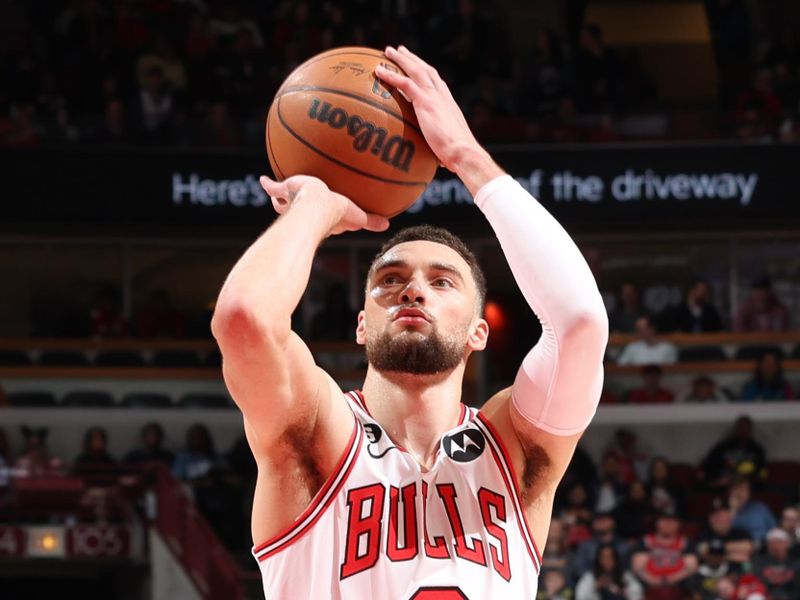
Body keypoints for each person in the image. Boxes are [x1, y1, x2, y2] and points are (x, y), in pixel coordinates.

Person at [211, 45, 608, 597]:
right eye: (389, 280)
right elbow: (243, 318)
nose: (413, 289)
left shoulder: (514, 450)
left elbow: (581, 324)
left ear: (479, 331)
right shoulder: (317, 435)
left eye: (442, 281)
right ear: (361, 325)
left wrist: (467, 156)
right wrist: (316, 207)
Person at [631, 511, 698, 595]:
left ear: (679, 524)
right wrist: (652, 580)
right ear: (656, 523)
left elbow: (691, 567)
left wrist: (671, 579)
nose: (668, 524)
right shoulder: (646, 541)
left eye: (672, 521)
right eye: (664, 520)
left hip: (679, 583)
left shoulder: (685, 542)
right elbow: (638, 568)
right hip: (649, 583)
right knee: (633, 587)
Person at [700, 416, 767, 487]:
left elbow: (761, 472)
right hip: (724, 484)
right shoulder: (723, 447)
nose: (743, 430)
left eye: (746, 428)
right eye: (741, 427)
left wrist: (747, 479)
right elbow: (710, 464)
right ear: (736, 428)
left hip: (747, 485)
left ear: (750, 430)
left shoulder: (757, 449)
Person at [575, 543, 643, 600]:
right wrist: (595, 587)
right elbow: (581, 596)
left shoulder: (624, 575)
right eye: (603, 557)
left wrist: (624, 592)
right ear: (598, 560)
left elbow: (637, 592)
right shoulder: (590, 577)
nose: (607, 561)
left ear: (615, 559)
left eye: (610, 557)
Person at [752, 528, 800, 600]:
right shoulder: (758, 561)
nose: (775, 545)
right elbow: (757, 582)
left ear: (787, 543)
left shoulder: (796, 563)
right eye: (771, 542)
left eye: (779, 542)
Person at [659, 280, 723, 333]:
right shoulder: (679, 310)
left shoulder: (710, 311)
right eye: (700, 290)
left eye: (705, 291)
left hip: (707, 345)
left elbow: (719, 329)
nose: (703, 294)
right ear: (691, 291)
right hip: (685, 346)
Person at [728, 478, 777, 542]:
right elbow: (725, 532)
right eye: (737, 489)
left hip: (763, 545)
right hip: (739, 547)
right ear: (731, 491)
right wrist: (733, 509)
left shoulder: (760, 508)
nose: (740, 493)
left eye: (744, 490)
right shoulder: (724, 510)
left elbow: (775, 529)